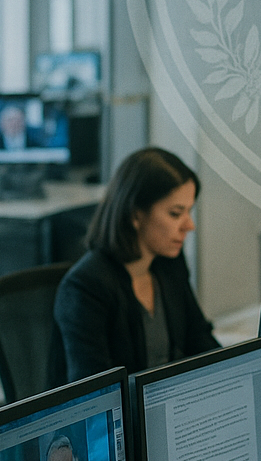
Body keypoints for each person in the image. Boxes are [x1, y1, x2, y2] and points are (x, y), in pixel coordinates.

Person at [50, 147, 219, 384]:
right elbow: (96, 395)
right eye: (175, 213)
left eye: (188, 212)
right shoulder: (86, 287)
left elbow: (199, 341)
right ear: (136, 215)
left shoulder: (169, 264)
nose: (189, 226)